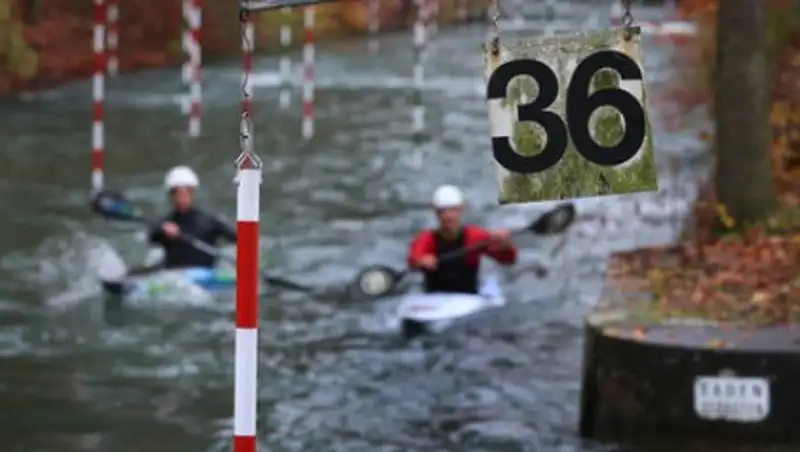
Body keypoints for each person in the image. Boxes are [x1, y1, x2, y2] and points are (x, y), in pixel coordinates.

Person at [407, 185, 518, 294]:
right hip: (434, 297)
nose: (448, 216)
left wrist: (506, 245)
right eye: (442, 211)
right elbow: (413, 259)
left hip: (468, 296)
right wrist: (421, 261)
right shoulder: (426, 238)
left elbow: (508, 259)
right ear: (436, 213)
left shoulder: (474, 236)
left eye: (453, 210)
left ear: (461, 210)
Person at [148, 166, 237, 269]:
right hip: (176, 276)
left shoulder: (208, 221)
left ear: (192, 195)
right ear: (171, 197)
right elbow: (153, 237)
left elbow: (238, 237)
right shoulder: (166, 223)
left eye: (186, 194)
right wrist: (163, 231)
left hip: (205, 277)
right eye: (178, 194)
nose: (181, 199)